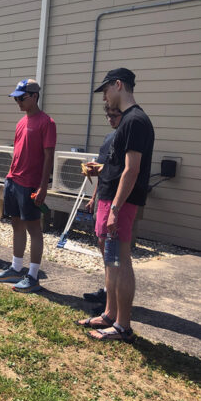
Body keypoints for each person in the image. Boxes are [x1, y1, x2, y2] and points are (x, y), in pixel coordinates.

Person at [77, 67, 154, 343]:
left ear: (118, 85)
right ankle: (109, 314)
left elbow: (132, 171)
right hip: (109, 197)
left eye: (106, 91)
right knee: (111, 261)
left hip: (120, 203)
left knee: (120, 262)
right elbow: (120, 164)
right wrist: (101, 172)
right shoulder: (126, 123)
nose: (104, 98)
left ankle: (123, 325)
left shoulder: (135, 121)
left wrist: (116, 209)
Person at [0, 79, 56, 292]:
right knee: (16, 225)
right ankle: (16, 268)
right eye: (16, 98)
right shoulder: (21, 122)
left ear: (34, 96)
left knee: (34, 229)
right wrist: (9, 178)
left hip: (31, 185)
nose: (17, 102)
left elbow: (49, 156)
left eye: (21, 98)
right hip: (13, 180)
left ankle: (33, 276)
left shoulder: (47, 122)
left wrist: (43, 186)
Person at [82, 105, 123, 305]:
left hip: (116, 199)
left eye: (114, 115)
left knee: (112, 246)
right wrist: (93, 197)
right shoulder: (108, 138)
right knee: (101, 242)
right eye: (108, 115)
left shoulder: (126, 139)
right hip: (103, 196)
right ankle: (107, 288)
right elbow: (101, 171)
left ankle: (113, 295)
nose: (110, 119)